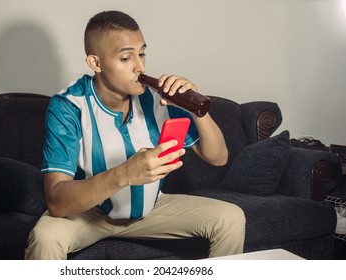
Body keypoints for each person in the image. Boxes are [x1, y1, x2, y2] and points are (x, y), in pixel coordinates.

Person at [24, 10, 245, 260]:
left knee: (231, 218)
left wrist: (197, 110)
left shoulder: (158, 97)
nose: (140, 67)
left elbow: (218, 158)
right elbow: (57, 201)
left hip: (151, 209)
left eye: (142, 54)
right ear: (96, 63)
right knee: (46, 237)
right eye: (126, 57)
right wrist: (125, 173)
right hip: (89, 214)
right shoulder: (69, 106)